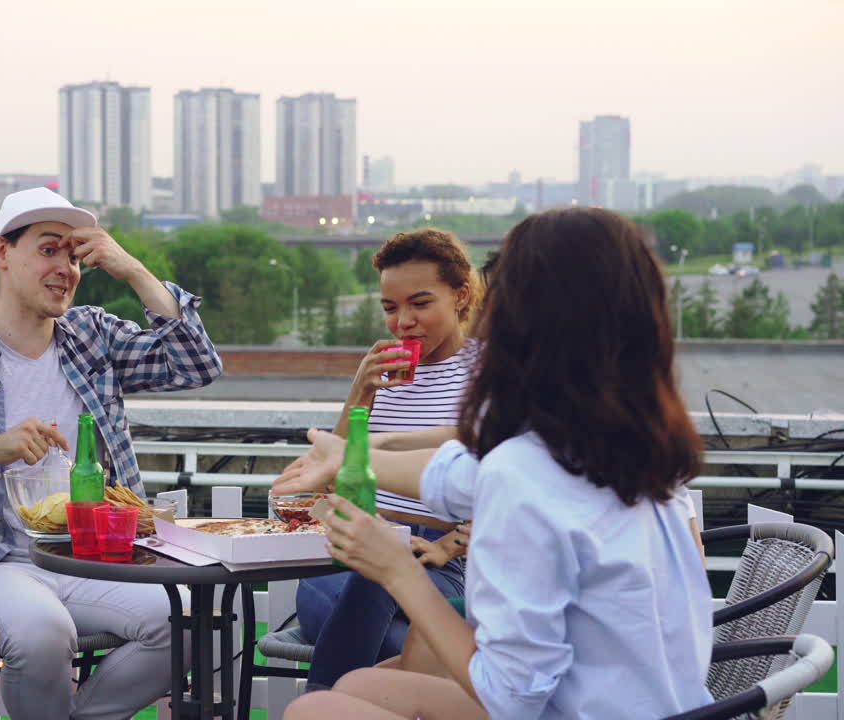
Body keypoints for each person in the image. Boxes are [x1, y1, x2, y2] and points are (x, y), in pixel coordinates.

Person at [278, 207, 714, 719]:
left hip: (558, 706)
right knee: (355, 684)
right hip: (653, 704)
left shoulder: (526, 467)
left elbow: (511, 696)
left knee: (313, 713)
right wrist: (346, 452)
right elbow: (458, 470)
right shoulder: (630, 443)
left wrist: (398, 570)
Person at [0, 187, 224, 720]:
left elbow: (195, 365)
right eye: (49, 250)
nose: (66, 267)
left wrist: (133, 269)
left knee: (186, 624)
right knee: (44, 634)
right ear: (2, 251)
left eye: (73, 255)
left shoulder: (92, 335)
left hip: (96, 555)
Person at [296, 228, 481, 690]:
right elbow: (333, 481)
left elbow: (507, 478)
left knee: (378, 586)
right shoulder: (381, 375)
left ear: (460, 297)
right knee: (398, 633)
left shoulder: (490, 374)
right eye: (390, 308)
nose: (403, 323)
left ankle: (323, 704)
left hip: (444, 561)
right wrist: (360, 392)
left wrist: (446, 546)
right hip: (354, 555)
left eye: (420, 304)